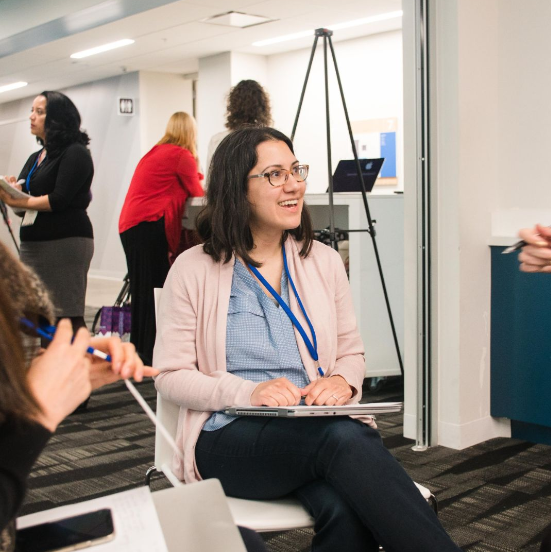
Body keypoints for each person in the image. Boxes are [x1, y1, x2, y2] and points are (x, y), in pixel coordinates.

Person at [154, 127, 462, 552]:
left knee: (345, 506)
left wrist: (342, 383)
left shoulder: (324, 261)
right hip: (228, 436)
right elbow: (169, 376)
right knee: (344, 440)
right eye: (275, 174)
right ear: (237, 189)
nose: (295, 184)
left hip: (310, 427)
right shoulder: (193, 269)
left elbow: (352, 352)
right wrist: (249, 391)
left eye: (296, 170)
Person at [0, 91, 94, 335]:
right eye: (32, 110)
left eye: (39, 112)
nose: (31, 117)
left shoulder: (75, 152)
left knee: (64, 316)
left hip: (65, 243)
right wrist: (12, 193)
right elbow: (23, 207)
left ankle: (79, 367)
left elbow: (58, 200)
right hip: (35, 245)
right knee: (36, 315)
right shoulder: (36, 157)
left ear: (57, 119)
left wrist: (22, 198)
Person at [119, 111, 204, 365]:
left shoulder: (157, 152)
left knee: (141, 288)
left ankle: (140, 348)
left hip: (131, 224)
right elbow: (197, 190)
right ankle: (150, 352)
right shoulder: (182, 155)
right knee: (156, 288)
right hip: (149, 224)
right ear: (190, 133)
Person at [205, 80, 272, 176]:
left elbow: (210, 179)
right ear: (263, 107)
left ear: (232, 107)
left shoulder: (218, 140)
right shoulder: (271, 139)